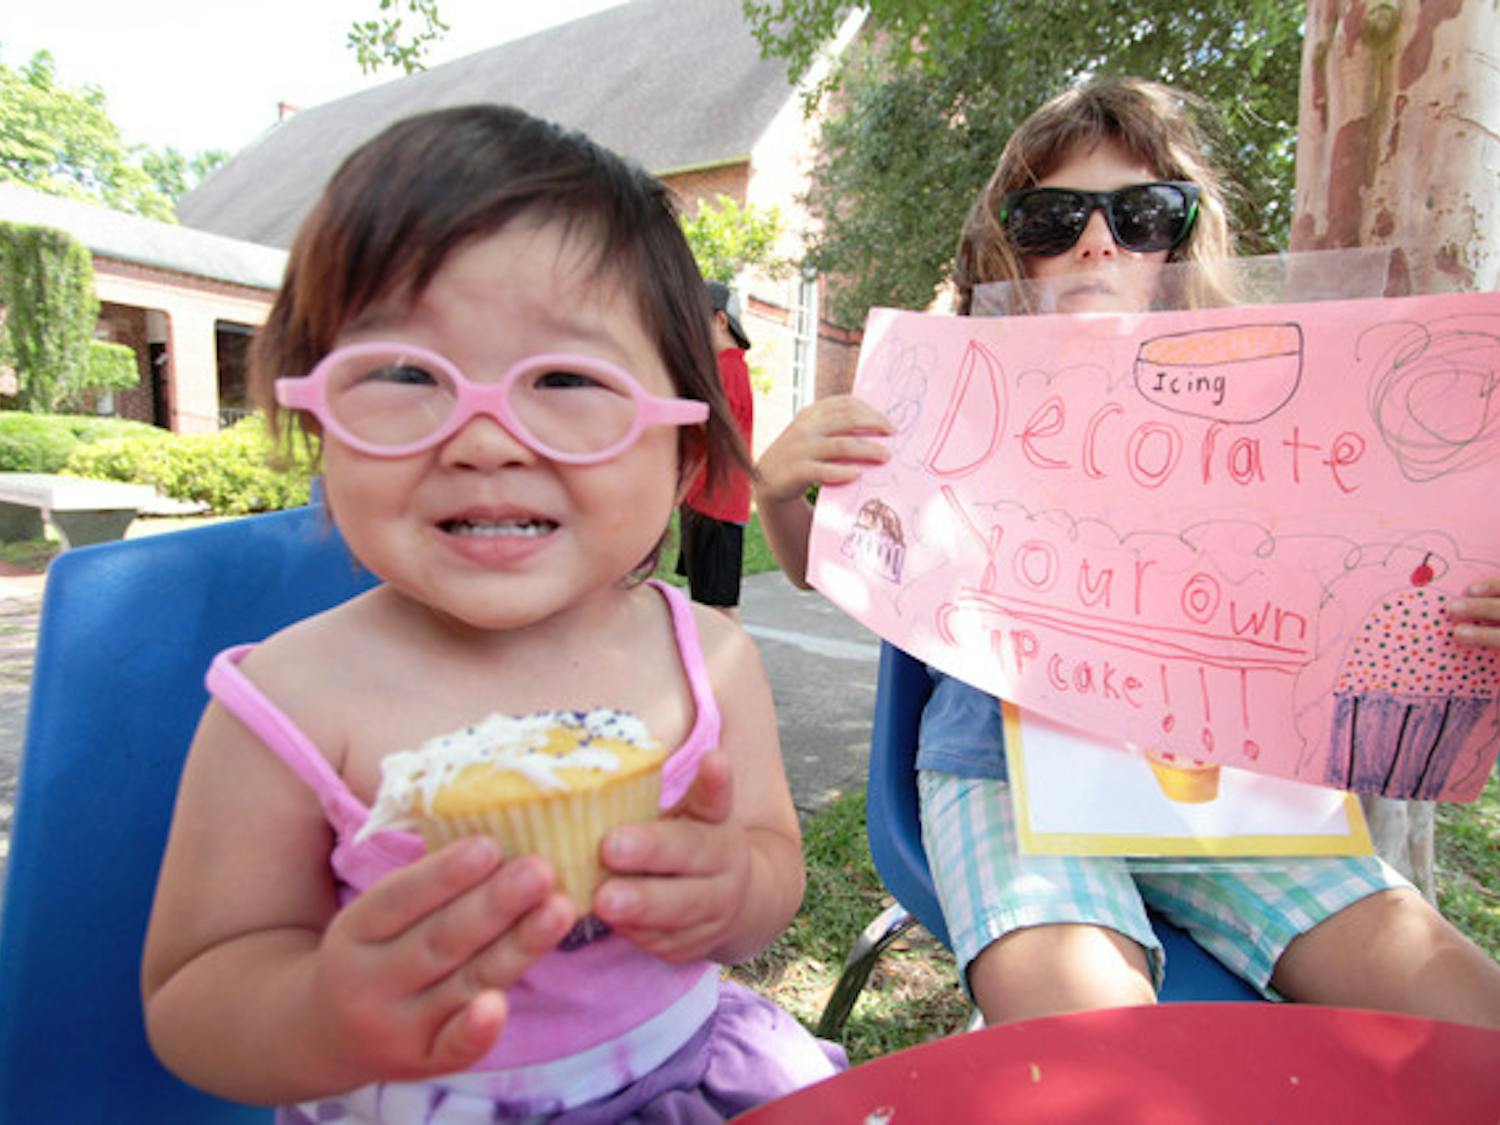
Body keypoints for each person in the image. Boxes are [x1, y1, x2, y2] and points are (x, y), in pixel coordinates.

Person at [141, 104, 844, 1122]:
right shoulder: (286, 704)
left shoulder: (711, 659)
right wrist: (319, 1015)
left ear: (685, 448)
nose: (484, 440)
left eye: (564, 378)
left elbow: (774, 862)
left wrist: (735, 890)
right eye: (402, 375)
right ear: (317, 425)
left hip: (692, 1081)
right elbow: (193, 993)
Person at [755, 77, 1500, 1030]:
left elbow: (1354, 599)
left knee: (1467, 1018)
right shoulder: (945, 398)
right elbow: (834, 572)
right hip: (1003, 775)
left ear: (1179, 246)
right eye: (1052, 217)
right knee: (1103, 1063)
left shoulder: (1286, 414)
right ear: (1007, 248)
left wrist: (1458, 620)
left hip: (1233, 790)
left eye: (1141, 214)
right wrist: (779, 490)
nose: (1098, 242)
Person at [675, 281, 754, 620]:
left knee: (716, 611)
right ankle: (713, 670)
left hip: (713, 504)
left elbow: (699, 433)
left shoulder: (725, 370)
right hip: (710, 502)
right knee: (709, 605)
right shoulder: (729, 369)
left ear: (720, 321)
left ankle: (727, 672)